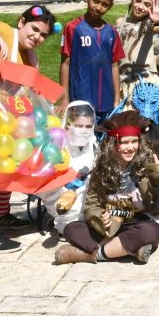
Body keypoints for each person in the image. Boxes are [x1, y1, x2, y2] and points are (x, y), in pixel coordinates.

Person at [0, 5, 58, 254]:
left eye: (42, 35)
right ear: (21, 22)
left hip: (8, 119)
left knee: (9, 164)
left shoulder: (25, 52)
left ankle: (2, 215)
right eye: (34, 29)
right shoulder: (3, 30)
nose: (37, 37)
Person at [54, 112, 159, 264]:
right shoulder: (102, 169)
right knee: (71, 229)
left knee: (153, 231)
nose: (130, 148)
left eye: (134, 142)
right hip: (112, 224)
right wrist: (100, 219)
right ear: (114, 143)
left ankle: (91, 255)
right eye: (125, 142)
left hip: (139, 221)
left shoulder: (146, 163)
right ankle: (127, 249)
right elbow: (92, 204)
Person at [59, 0, 124, 120]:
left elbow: (114, 66)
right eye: (96, 1)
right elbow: (65, 64)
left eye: (105, 4)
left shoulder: (112, 32)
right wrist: (64, 98)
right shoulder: (72, 28)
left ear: (111, 6)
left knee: (104, 139)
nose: (99, 7)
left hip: (106, 101)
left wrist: (116, 99)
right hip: (81, 99)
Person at [38, 101, 99, 237]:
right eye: (79, 126)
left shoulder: (93, 144)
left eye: (88, 126)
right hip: (59, 193)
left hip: (85, 192)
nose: (84, 131)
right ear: (68, 124)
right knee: (71, 220)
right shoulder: (58, 143)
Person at [116, 0, 159, 101]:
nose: (140, 7)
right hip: (121, 81)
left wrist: (156, 22)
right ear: (131, 0)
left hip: (144, 84)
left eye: (147, 4)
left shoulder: (152, 25)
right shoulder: (121, 23)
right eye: (137, 1)